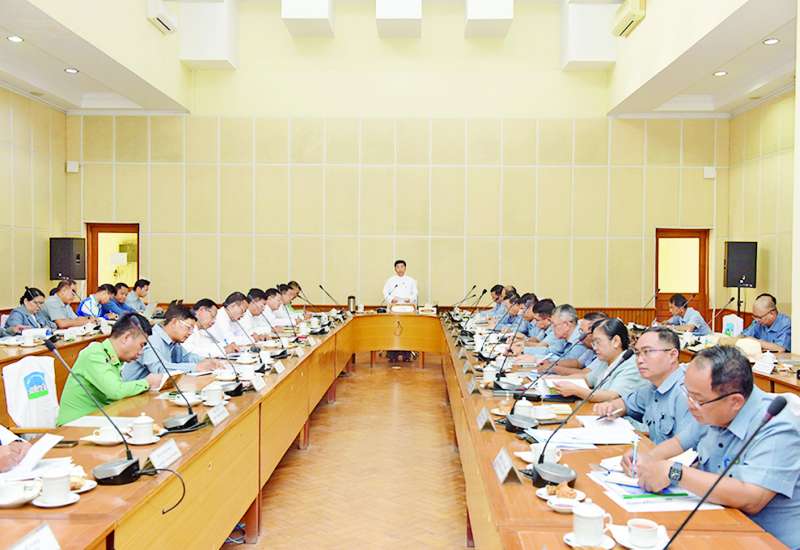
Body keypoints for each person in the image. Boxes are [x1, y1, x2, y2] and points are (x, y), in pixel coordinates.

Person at [633, 346, 800, 549]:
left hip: (766, 540)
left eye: (697, 399)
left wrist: (674, 472)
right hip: (718, 521)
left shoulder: (777, 425)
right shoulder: (712, 407)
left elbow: (752, 498)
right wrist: (645, 459)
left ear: (735, 401)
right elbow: (680, 442)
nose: (690, 404)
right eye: (688, 394)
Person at [594, 326, 703, 444]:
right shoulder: (652, 386)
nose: (639, 360)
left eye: (647, 352)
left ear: (672, 355)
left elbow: (685, 448)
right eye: (637, 353)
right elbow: (626, 404)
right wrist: (610, 407)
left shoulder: (687, 393)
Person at [56, 313, 161, 426]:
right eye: (142, 345)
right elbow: (115, 391)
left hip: (98, 420)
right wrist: (147, 383)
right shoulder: (94, 354)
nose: (141, 352)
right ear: (126, 338)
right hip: (74, 426)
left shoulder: (115, 358)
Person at [553, 318, 644, 403]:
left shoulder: (632, 365)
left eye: (598, 342)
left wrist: (576, 390)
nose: (594, 347)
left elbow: (611, 396)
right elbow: (586, 379)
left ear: (616, 341)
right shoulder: (606, 361)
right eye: (593, 343)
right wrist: (556, 379)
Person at [121, 306, 219, 381]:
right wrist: (196, 367)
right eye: (188, 327)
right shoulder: (151, 338)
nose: (190, 333)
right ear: (174, 322)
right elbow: (159, 369)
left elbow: (185, 357)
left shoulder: (173, 341)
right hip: (132, 395)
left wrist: (208, 361)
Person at [535, 311, 606, 375]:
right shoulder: (590, 349)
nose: (580, 336)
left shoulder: (603, 351)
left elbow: (585, 374)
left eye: (582, 331)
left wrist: (554, 368)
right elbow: (577, 363)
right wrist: (552, 363)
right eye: (580, 331)